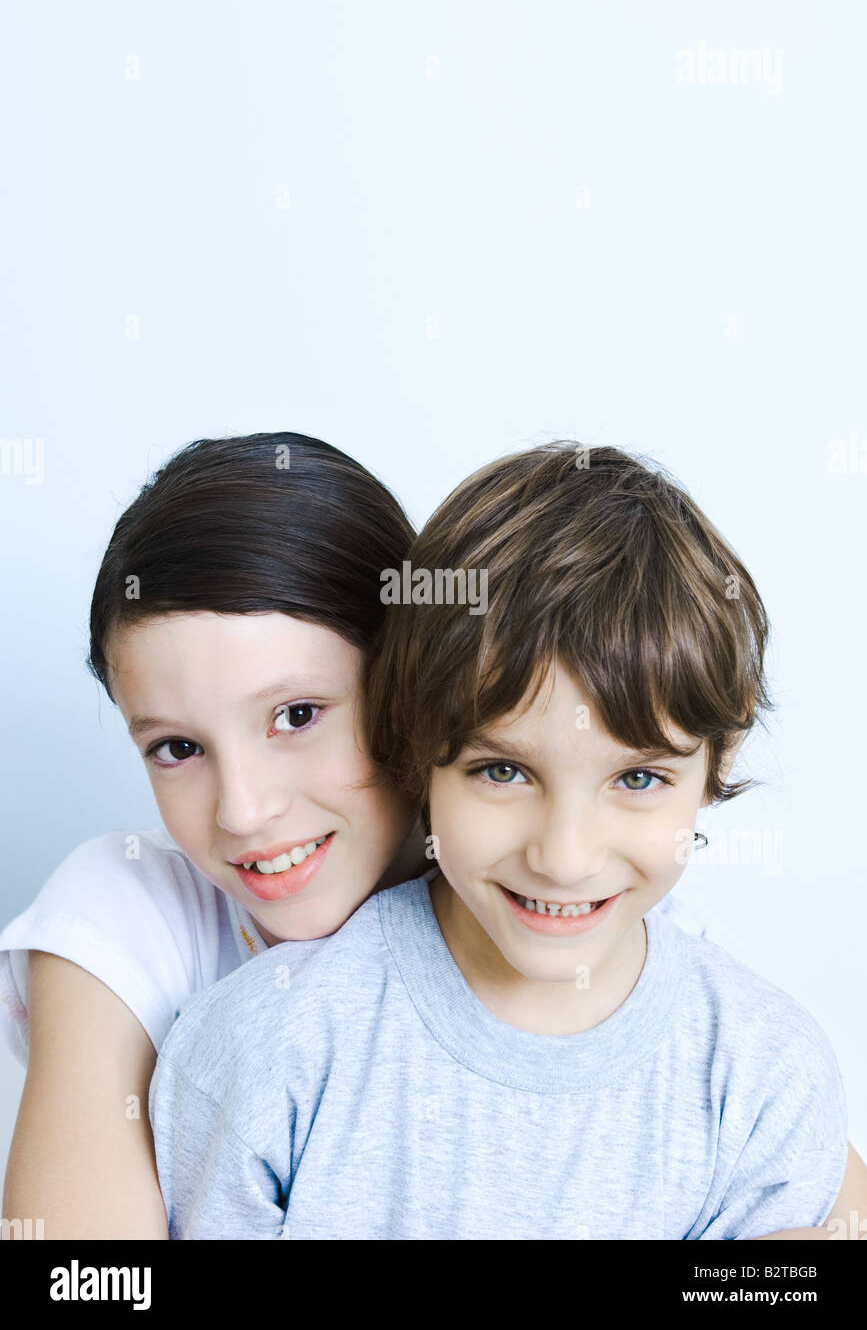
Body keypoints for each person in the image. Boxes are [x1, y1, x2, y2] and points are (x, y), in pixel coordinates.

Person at [147, 441, 862, 1239]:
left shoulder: (761, 1076)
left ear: (714, 766)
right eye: (502, 772)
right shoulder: (263, 1048)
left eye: (636, 780)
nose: (563, 857)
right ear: (414, 747)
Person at [1, 431, 428, 1238]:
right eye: (178, 749)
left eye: (296, 716)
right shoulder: (123, 913)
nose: (242, 810)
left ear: (411, 678)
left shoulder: (562, 908)